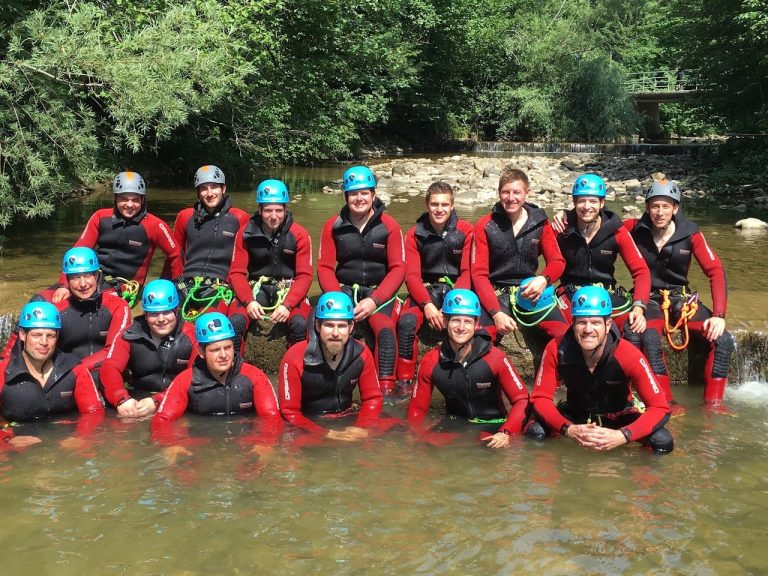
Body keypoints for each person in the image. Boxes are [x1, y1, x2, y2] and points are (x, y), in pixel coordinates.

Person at [624, 179, 734, 406]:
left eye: (666, 206)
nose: (660, 212)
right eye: (655, 206)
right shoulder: (633, 228)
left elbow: (715, 271)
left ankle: (713, 405)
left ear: (676, 208)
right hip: (649, 300)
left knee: (722, 339)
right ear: (647, 208)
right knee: (650, 338)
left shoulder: (690, 233)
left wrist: (719, 315)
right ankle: (665, 402)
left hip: (681, 299)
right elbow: (601, 222)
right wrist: (565, 217)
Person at [531, 286, 673, 454]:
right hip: (576, 417)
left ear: (608, 325)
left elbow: (660, 408)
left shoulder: (628, 354)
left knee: (663, 440)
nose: (588, 330)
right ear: (573, 323)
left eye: (596, 322)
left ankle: (637, 476)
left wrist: (623, 435)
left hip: (620, 418)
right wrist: (567, 429)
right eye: (582, 322)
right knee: (535, 431)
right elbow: (540, 399)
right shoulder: (556, 349)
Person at [317, 165, 405, 395]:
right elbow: (325, 268)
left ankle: (385, 390)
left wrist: (375, 300)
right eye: (353, 193)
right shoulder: (332, 226)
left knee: (385, 330)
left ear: (373, 195)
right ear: (346, 196)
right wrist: (337, 298)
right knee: (324, 328)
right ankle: (324, 382)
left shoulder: (390, 226)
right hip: (344, 289)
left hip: (379, 292)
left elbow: (398, 269)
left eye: (364, 193)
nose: (359, 198)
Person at [407, 289, 530, 449]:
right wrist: (414, 435)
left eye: (467, 321)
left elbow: (522, 400)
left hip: (492, 424)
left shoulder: (495, 357)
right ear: (444, 321)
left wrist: (506, 432)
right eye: (455, 320)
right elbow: (417, 409)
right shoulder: (430, 362)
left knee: (484, 455)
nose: (461, 327)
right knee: (425, 450)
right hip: (454, 422)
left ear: (477, 324)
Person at [471, 166, 567, 352]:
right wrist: (495, 312)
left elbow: (557, 261)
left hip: (532, 292)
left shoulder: (540, 222)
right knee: (479, 341)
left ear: (526, 193)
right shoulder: (485, 225)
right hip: (497, 294)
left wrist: (543, 279)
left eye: (517, 192)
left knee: (566, 336)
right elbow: (479, 274)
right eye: (506, 192)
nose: (511, 197)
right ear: (499, 193)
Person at [150, 312, 283, 445]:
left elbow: (271, 417)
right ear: (201, 352)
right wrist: (170, 445)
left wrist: (265, 443)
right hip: (202, 446)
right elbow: (162, 419)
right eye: (215, 350)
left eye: (228, 347)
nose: (223, 355)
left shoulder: (255, 377)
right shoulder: (185, 381)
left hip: (244, 444)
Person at [53, 171, 182, 306]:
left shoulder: (155, 225)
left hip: (127, 285)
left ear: (142, 200)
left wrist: (170, 286)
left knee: (89, 303)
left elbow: (176, 254)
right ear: (115, 198)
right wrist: (63, 284)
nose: (130, 205)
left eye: (135, 200)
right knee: (43, 299)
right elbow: (78, 251)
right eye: (124, 199)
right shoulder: (100, 217)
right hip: (95, 277)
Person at [395, 182, 473, 396]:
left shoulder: (466, 231)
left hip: (458, 290)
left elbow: (467, 272)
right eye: (434, 204)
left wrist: (452, 305)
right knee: (406, 322)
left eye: (444, 205)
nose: (439, 209)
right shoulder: (414, 234)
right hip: (427, 289)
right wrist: (426, 305)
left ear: (453, 205)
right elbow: (411, 276)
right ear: (426, 205)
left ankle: (466, 375)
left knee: (475, 326)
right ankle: (404, 381)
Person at [551, 173, 650, 337]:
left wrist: (638, 307)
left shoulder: (616, 231)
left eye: (593, 201)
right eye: (581, 201)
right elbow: (535, 254)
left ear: (602, 203)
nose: (586, 206)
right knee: (570, 332)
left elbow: (641, 271)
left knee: (633, 331)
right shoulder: (561, 228)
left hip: (605, 293)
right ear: (574, 203)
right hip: (570, 293)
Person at [1, 247, 132, 372]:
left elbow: (114, 351)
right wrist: (3, 363)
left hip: (102, 371)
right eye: (75, 277)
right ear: (67, 280)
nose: (82, 284)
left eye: (87, 275)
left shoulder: (117, 306)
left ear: (97, 276)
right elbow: (23, 343)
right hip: (66, 377)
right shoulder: (56, 310)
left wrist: (78, 369)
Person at [278, 291, 382, 440]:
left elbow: (373, 399)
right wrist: (325, 434)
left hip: (348, 418)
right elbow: (289, 412)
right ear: (318, 326)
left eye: (341, 326)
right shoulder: (294, 358)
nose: (335, 333)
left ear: (351, 327)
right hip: (308, 424)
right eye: (329, 325)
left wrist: (362, 427)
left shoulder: (362, 354)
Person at [0, 302, 105, 446]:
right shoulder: (3, 372)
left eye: (50, 336)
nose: (44, 342)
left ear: (57, 336)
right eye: (37, 335)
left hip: (66, 444)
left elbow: (94, 412)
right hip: (18, 448)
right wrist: (6, 439)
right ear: (23, 335)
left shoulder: (75, 368)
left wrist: (82, 436)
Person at [229, 179, 312, 352]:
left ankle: (293, 365)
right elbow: (236, 273)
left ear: (285, 209)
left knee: (299, 324)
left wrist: (287, 305)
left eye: (278, 210)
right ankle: (234, 366)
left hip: (288, 288)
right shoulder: (246, 233)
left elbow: (305, 276)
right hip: (257, 288)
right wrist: (248, 301)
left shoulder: (299, 234)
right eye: (267, 210)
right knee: (235, 322)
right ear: (259, 210)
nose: (273, 216)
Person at [99, 279, 196, 418]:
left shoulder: (192, 336)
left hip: (177, 400)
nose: (161, 319)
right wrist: (121, 399)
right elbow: (109, 367)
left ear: (177, 310)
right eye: (154, 313)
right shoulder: (129, 335)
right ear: (145, 314)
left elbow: (197, 377)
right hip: (137, 400)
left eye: (167, 312)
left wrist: (158, 400)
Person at [168, 165, 249, 322]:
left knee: (210, 322)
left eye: (214, 187)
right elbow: (176, 254)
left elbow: (244, 259)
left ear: (223, 188)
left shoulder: (239, 218)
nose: (210, 193)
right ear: (198, 192)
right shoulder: (185, 217)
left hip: (219, 286)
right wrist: (175, 280)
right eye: (204, 189)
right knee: (162, 315)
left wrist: (233, 285)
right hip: (187, 282)